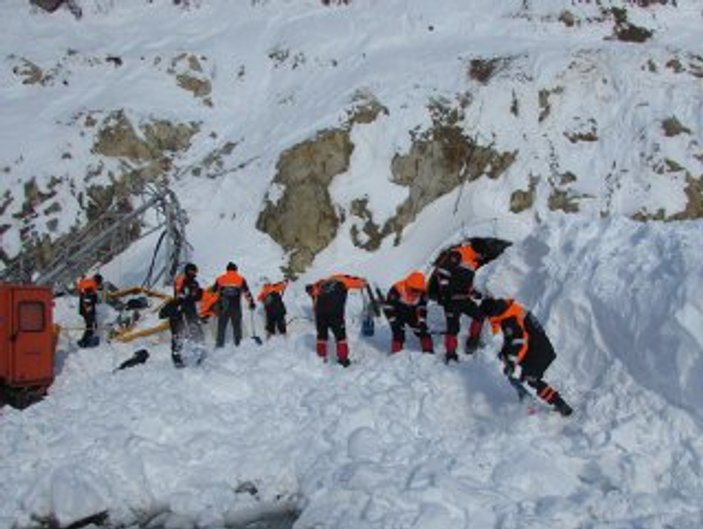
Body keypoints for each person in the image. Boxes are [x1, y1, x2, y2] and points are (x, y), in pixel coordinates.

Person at [480, 297, 573, 416]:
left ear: (492, 313)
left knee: (526, 378)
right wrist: (505, 354)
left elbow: (518, 341)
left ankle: (537, 406)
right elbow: (516, 339)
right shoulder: (509, 310)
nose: (488, 320)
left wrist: (511, 361)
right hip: (536, 348)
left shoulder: (509, 319)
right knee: (522, 377)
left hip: (538, 351)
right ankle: (535, 403)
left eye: (488, 317)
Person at [429, 242, 487, 363]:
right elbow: (443, 272)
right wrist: (445, 292)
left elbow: (466, 283)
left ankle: (473, 341)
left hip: (463, 298)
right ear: (479, 251)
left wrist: (474, 293)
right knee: (453, 328)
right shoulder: (458, 253)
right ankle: (450, 355)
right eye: (483, 255)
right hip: (450, 300)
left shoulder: (473, 262)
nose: (482, 258)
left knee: (479, 316)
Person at [305, 274, 368, 367]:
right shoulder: (342, 279)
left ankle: (321, 358)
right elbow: (359, 283)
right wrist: (363, 282)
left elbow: (312, 291)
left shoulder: (321, 283)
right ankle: (343, 360)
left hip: (320, 314)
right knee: (340, 336)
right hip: (335, 313)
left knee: (321, 336)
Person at [384, 271, 433, 354]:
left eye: (418, 290)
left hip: (412, 312)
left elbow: (422, 308)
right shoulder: (397, 289)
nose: (416, 293)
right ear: (408, 285)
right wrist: (393, 321)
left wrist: (422, 321)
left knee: (423, 331)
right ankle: (396, 354)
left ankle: (428, 352)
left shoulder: (423, 293)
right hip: (397, 312)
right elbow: (388, 307)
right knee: (398, 333)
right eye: (414, 290)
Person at [169, 262, 205, 367]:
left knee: (196, 329)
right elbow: (180, 294)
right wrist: (188, 294)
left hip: (191, 310)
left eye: (194, 271)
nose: (193, 273)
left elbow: (196, 297)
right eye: (191, 271)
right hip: (179, 310)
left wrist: (198, 294)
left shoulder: (195, 283)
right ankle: (176, 357)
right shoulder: (180, 280)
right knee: (178, 333)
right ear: (187, 271)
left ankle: (200, 351)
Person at [212, 262, 255, 348]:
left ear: (227, 270)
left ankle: (219, 345)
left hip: (223, 307)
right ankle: (238, 345)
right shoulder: (241, 279)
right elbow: (247, 293)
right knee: (237, 326)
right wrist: (251, 302)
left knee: (221, 327)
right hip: (235, 307)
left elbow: (213, 292)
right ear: (236, 269)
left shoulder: (220, 278)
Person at [76, 273, 103, 348]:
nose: (99, 286)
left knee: (91, 326)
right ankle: (84, 342)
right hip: (87, 311)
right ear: (98, 281)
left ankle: (85, 341)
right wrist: (90, 314)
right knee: (90, 326)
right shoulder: (89, 288)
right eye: (100, 283)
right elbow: (87, 301)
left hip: (85, 310)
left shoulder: (89, 285)